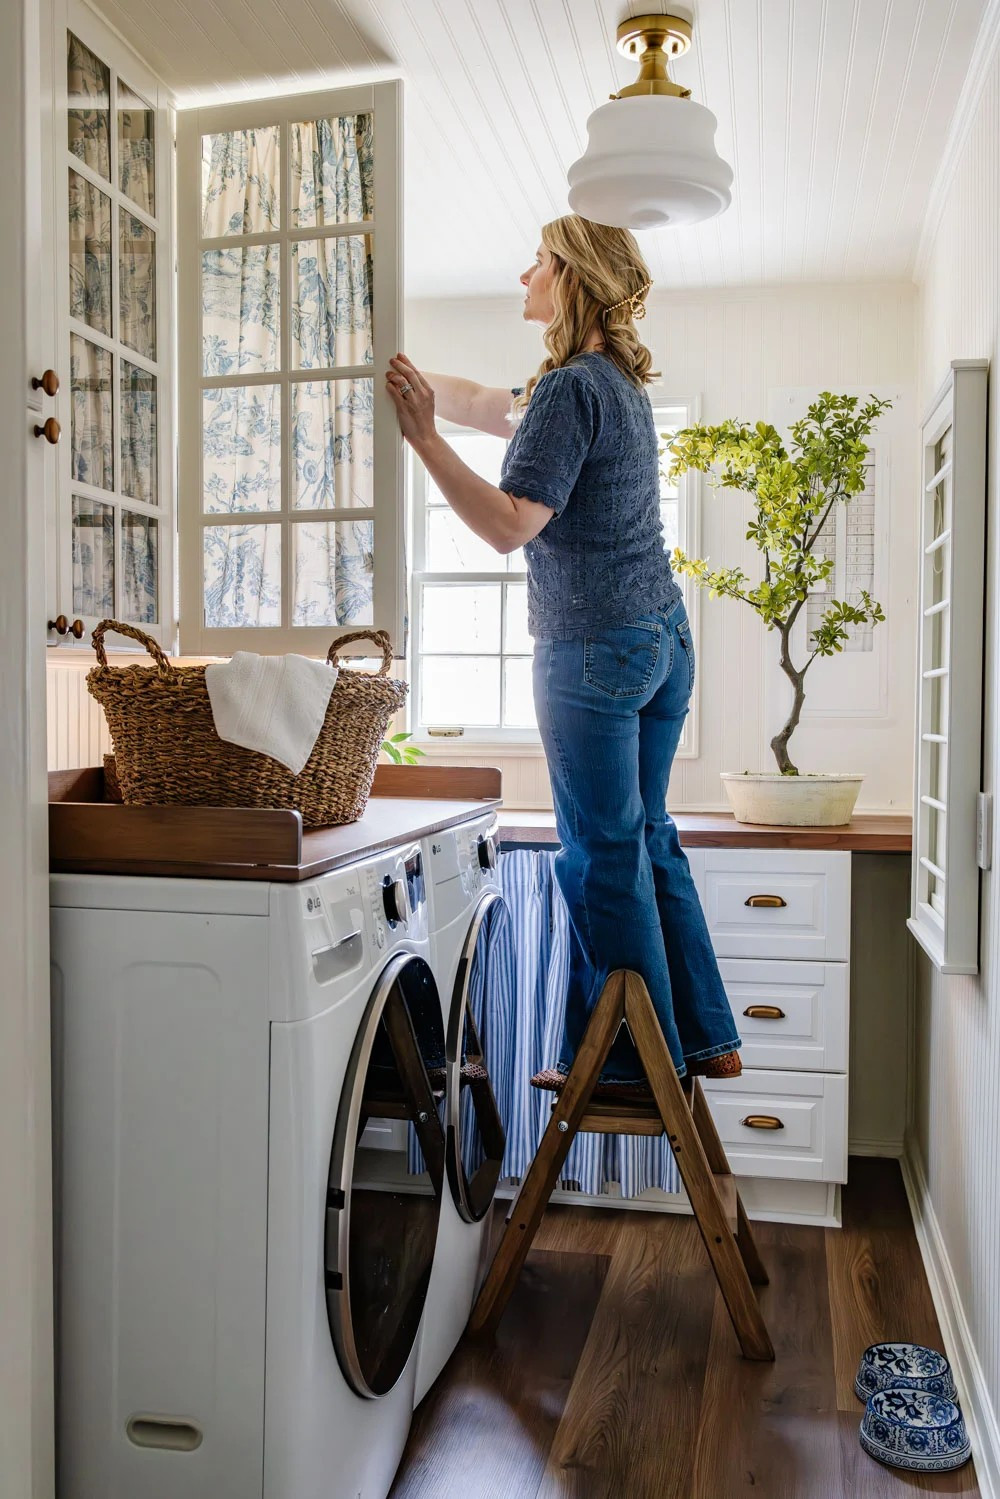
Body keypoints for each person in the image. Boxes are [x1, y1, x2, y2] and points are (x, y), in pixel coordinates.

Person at [385, 214, 740, 1097]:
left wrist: (424, 440)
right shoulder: (611, 382)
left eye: (537, 261)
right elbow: (479, 401)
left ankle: (631, 1060)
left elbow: (511, 525)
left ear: (572, 275)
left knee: (599, 853)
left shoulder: (568, 390)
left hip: (594, 647)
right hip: (662, 639)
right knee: (649, 836)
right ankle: (705, 1035)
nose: (524, 276)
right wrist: (406, 383)